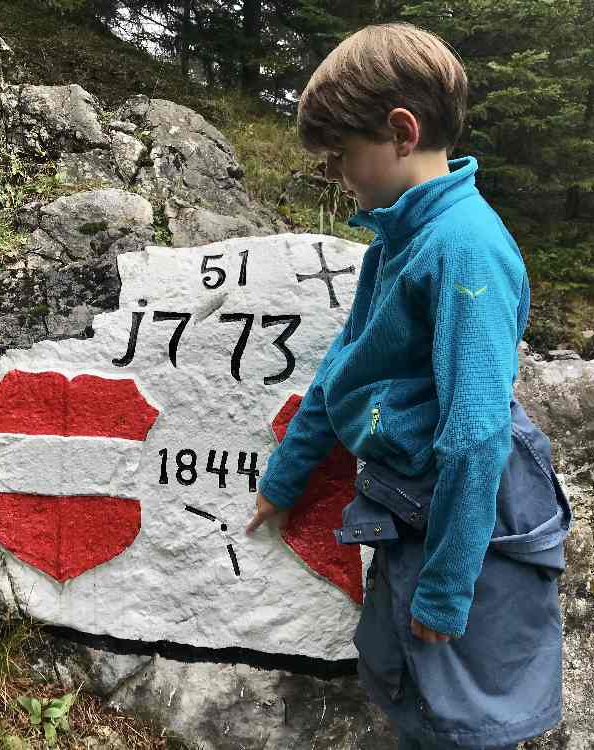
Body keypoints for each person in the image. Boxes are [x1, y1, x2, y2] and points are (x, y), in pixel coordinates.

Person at [244, 22, 569, 750]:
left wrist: (451, 587)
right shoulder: (397, 239)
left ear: (399, 131)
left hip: (463, 531)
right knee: (400, 680)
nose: (339, 177)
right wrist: (286, 478)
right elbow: (342, 369)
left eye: (342, 157)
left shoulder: (464, 247)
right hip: (410, 507)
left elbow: (477, 431)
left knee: (455, 716)